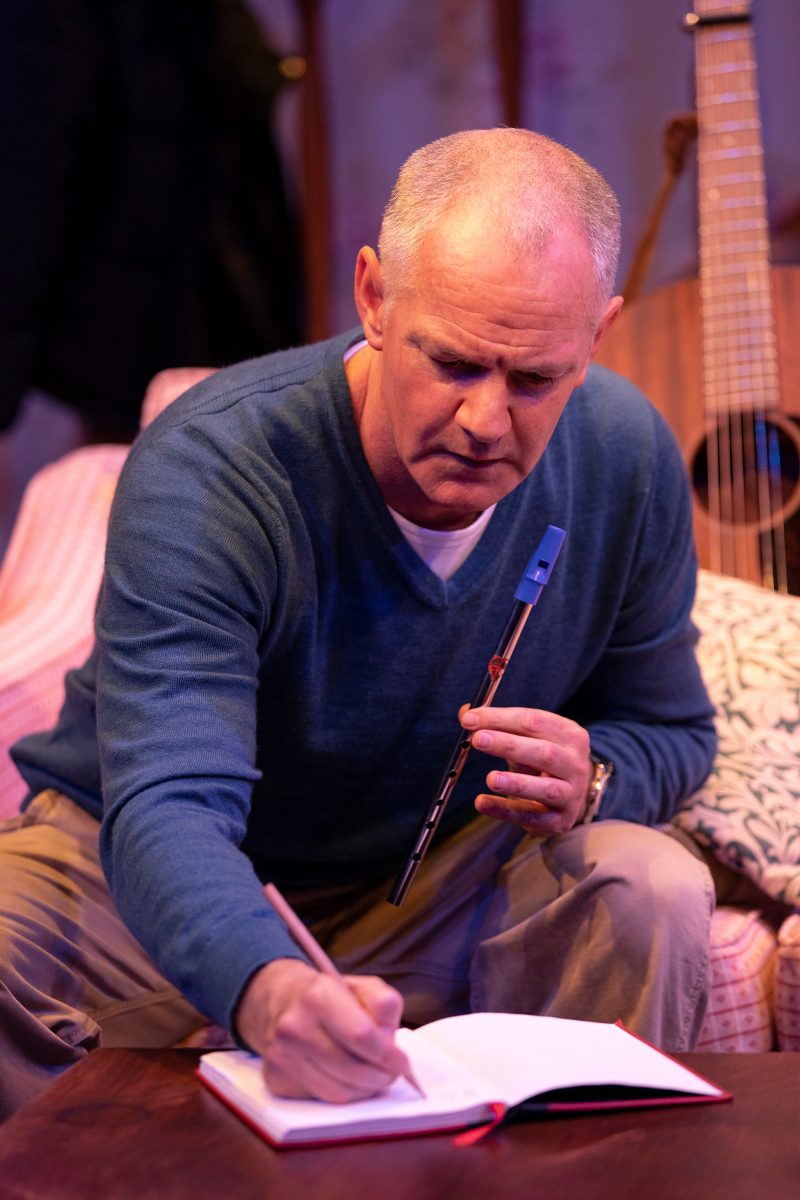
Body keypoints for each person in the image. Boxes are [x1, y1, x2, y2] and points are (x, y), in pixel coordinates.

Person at [1, 128, 717, 1119]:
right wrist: (266, 986)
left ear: (597, 334)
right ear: (374, 299)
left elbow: (673, 731)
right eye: (453, 363)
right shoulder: (216, 465)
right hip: (141, 867)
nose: (482, 421)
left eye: (532, 381)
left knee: (649, 886)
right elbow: (169, 799)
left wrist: (593, 775)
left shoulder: (622, 457)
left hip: (427, 878)